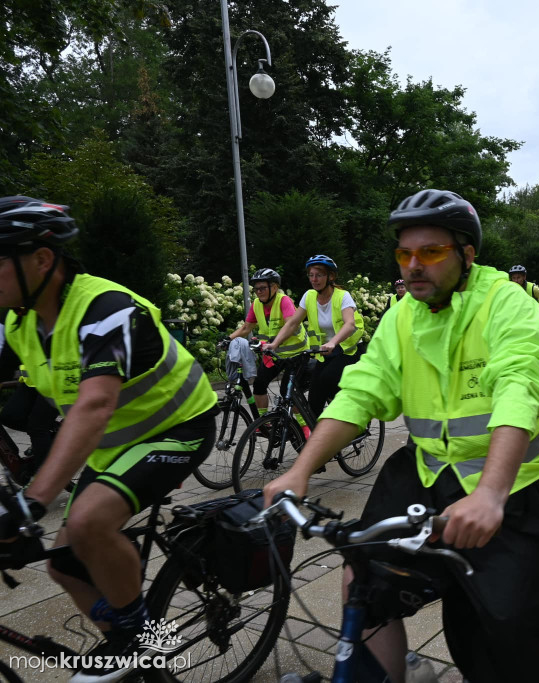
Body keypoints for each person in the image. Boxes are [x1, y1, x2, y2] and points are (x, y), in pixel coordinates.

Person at [262, 189, 539, 683]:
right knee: (363, 574)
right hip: (428, 473)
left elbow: (520, 389)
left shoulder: (506, 304)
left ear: (467, 255)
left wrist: (490, 494)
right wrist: (300, 470)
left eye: (430, 252)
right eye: (405, 253)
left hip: (516, 488)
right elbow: (361, 391)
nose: (413, 265)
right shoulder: (402, 315)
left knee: (501, 636)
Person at [0, 197, 218, 682]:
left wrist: (31, 503)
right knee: (62, 565)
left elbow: (94, 405)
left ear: (41, 258)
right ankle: (127, 645)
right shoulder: (20, 323)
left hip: (178, 427)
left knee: (88, 521)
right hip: (115, 445)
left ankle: (143, 640)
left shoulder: (104, 308)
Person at [268, 255, 365, 420]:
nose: (314, 279)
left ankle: (352, 413)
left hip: (349, 349)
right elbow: (293, 323)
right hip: (325, 352)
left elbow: (350, 324)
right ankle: (323, 435)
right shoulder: (309, 296)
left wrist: (333, 342)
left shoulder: (342, 296)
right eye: (311, 275)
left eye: (319, 275)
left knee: (328, 379)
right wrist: (274, 344)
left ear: (330, 277)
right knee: (314, 400)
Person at [228, 268, 309, 414]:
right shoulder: (257, 304)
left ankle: (304, 428)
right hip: (273, 354)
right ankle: (264, 422)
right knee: (259, 385)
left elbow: (291, 325)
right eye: (256, 289)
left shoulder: (284, 301)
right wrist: (227, 339)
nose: (259, 292)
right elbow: (247, 327)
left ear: (275, 287)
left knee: (288, 392)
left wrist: (274, 343)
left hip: (296, 355)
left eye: (263, 288)